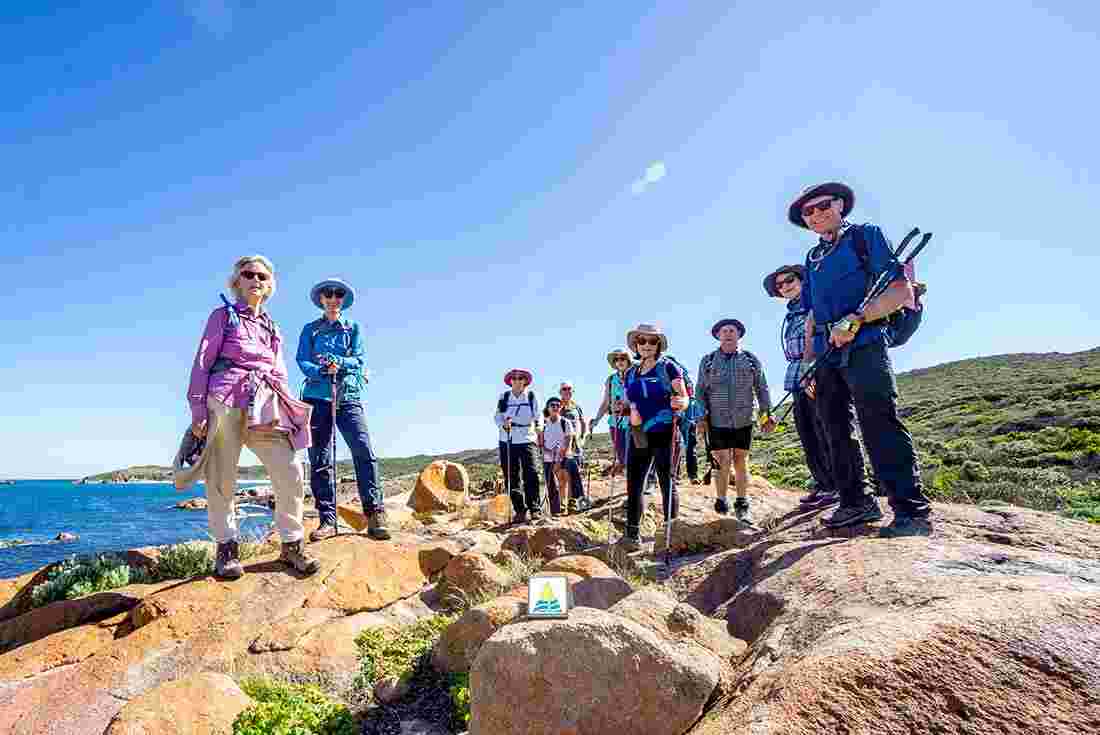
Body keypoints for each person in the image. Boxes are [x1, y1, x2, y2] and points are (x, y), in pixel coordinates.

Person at [789, 181, 933, 537]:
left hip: (866, 344)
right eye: (808, 211)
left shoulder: (865, 236)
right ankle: (855, 502)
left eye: (822, 206)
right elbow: (811, 316)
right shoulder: (812, 258)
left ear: (839, 204)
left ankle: (910, 511)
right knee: (833, 428)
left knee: (878, 421)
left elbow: (899, 291)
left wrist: (857, 319)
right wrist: (808, 362)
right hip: (825, 355)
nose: (816, 214)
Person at [186, 255, 320, 579]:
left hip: (266, 404)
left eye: (262, 276)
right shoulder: (223, 316)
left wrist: (288, 407)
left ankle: (291, 546)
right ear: (237, 282)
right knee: (221, 479)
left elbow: (280, 371)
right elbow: (202, 362)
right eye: (249, 274)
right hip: (225, 399)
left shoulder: (272, 327)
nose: (256, 279)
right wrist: (198, 409)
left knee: (290, 470)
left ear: (269, 284)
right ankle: (227, 551)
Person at [296, 278, 390, 542]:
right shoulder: (310, 330)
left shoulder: (353, 328)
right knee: (319, 459)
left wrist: (340, 363)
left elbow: (359, 360)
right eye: (329, 294)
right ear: (322, 299)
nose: (333, 298)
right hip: (317, 396)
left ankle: (375, 514)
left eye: (338, 294)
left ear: (343, 299)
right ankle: (327, 519)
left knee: (364, 450)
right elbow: (302, 359)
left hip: (347, 395)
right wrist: (321, 370)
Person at [763, 265, 838, 508]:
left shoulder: (815, 303)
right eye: (780, 285)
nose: (784, 286)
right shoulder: (791, 312)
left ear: (802, 280)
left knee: (824, 429)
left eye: (789, 280)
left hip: (816, 371)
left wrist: (812, 371)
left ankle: (837, 485)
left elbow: (820, 338)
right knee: (806, 432)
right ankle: (823, 483)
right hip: (797, 375)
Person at [618, 323, 689, 551]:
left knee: (665, 479)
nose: (646, 345)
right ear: (636, 345)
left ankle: (672, 533)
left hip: (664, 427)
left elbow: (684, 397)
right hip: (638, 432)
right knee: (634, 483)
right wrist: (624, 407)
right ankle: (632, 534)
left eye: (652, 341)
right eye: (642, 341)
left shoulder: (668, 367)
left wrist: (682, 403)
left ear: (658, 345)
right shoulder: (630, 372)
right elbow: (629, 400)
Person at [695, 318, 775, 521]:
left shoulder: (750, 359)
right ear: (718, 335)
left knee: (740, 460)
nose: (729, 333)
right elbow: (700, 391)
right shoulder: (708, 360)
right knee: (721, 461)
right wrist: (701, 417)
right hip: (716, 420)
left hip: (744, 418)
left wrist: (767, 414)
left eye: (733, 330)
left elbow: (762, 388)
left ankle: (742, 502)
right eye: (724, 331)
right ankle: (721, 501)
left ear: (739, 335)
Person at [495, 369, 543, 524]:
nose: (517, 380)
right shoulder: (504, 397)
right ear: (510, 381)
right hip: (507, 439)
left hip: (528, 438)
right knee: (511, 476)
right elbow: (497, 416)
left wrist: (539, 428)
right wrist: (503, 424)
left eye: (520, 378)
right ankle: (520, 510)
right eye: (514, 378)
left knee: (532, 473)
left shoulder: (531, 396)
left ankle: (535, 508)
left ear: (525, 381)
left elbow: (538, 415)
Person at [540, 396, 588, 516]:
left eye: (558, 405)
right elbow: (540, 443)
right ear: (548, 408)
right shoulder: (543, 425)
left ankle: (577, 503)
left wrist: (559, 456)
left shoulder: (565, 422)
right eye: (553, 405)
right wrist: (550, 452)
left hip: (564, 455)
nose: (555, 407)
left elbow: (568, 440)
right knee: (551, 484)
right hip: (548, 458)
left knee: (573, 472)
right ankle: (556, 510)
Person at [592, 349, 633, 474]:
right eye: (616, 359)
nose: (619, 361)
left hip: (633, 421)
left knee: (634, 456)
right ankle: (632, 485)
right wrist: (597, 420)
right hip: (615, 423)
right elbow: (605, 402)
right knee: (622, 458)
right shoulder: (610, 380)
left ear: (628, 360)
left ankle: (641, 485)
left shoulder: (635, 376)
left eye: (622, 358)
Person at [557, 381, 591, 511]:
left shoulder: (576, 407)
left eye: (569, 389)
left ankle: (574, 503)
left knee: (574, 474)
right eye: (564, 389)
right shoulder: (556, 406)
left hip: (576, 446)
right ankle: (562, 504)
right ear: (560, 392)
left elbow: (583, 423)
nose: (567, 391)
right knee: (563, 475)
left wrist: (582, 438)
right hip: (562, 446)